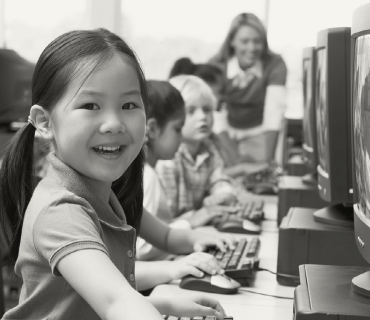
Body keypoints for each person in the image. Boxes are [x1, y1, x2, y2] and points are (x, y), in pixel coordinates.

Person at [0, 29, 228, 320]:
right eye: (90, 106)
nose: (114, 123)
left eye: (129, 105)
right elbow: (114, 303)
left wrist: (164, 306)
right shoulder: (61, 212)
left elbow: (85, 307)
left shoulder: (106, 192)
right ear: (44, 122)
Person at [136, 80, 235, 266]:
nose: (181, 137)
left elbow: (163, 236)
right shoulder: (147, 176)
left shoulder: (146, 172)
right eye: (177, 129)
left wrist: (195, 238)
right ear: (153, 129)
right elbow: (142, 249)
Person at [156, 74, 240, 228]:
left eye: (207, 110)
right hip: (175, 231)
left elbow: (218, 178)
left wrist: (222, 195)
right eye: (191, 111)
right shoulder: (167, 158)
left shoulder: (209, 149)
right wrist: (201, 214)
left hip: (194, 226)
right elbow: (165, 220)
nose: (202, 117)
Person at [169, 57, 269, 178]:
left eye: (206, 110)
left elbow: (216, 175)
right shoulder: (173, 154)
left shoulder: (207, 143)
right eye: (220, 91)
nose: (224, 97)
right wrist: (241, 168)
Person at [210, 12, 288, 165]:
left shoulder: (275, 64)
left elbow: (273, 116)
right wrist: (234, 158)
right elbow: (216, 115)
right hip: (226, 130)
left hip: (259, 130)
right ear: (232, 41)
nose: (251, 48)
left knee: (259, 174)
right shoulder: (217, 66)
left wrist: (267, 162)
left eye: (257, 41)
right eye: (244, 41)